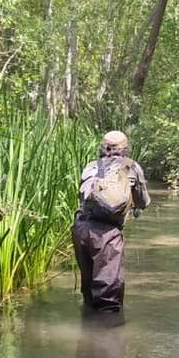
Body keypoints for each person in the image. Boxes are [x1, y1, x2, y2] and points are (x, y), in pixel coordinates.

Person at [72, 130, 150, 312]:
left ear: (102, 147)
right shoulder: (131, 166)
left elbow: (83, 195)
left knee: (89, 293)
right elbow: (143, 201)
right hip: (107, 234)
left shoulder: (91, 166)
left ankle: (86, 334)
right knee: (108, 298)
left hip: (81, 229)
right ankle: (108, 336)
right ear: (125, 148)